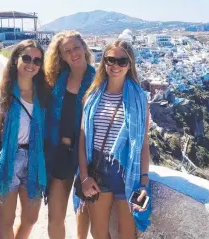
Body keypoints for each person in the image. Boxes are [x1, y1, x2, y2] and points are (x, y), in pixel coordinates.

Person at [77, 39, 151, 239]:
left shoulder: (140, 98)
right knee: (98, 233)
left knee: (127, 233)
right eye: (110, 60)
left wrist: (144, 183)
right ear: (104, 62)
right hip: (98, 170)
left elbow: (143, 143)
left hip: (126, 173)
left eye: (122, 61)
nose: (115, 66)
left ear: (130, 64)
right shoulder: (92, 96)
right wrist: (84, 177)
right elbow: (83, 139)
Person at [0, 39, 48, 239]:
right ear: (16, 58)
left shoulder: (43, 94)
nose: (31, 64)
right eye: (26, 58)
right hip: (9, 161)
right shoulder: (3, 96)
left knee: (31, 219)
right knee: (5, 222)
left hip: (34, 160)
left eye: (37, 60)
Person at [44, 30, 95, 239]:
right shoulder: (57, 79)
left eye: (76, 47)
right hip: (60, 153)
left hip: (88, 156)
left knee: (84, 211)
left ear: (83, 47)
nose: (73, 53)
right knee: (55, 218)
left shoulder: (97, 80)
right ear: (62, 56)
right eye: (67, 51)